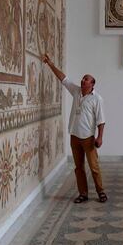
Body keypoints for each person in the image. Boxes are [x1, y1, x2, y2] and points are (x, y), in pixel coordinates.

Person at [42, 54, 107, 203]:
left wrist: (100, 137)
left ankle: (101, 192)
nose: (83, 80)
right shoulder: (76, 91)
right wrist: (50, 64)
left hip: (88, 138)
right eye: (83, 78)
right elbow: (63, 79)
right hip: (74, 136)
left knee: (94, 167)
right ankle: (83, 193)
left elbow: (101, 120)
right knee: (79, 168)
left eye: (86, 79)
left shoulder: (97, 99)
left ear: (92, 84)